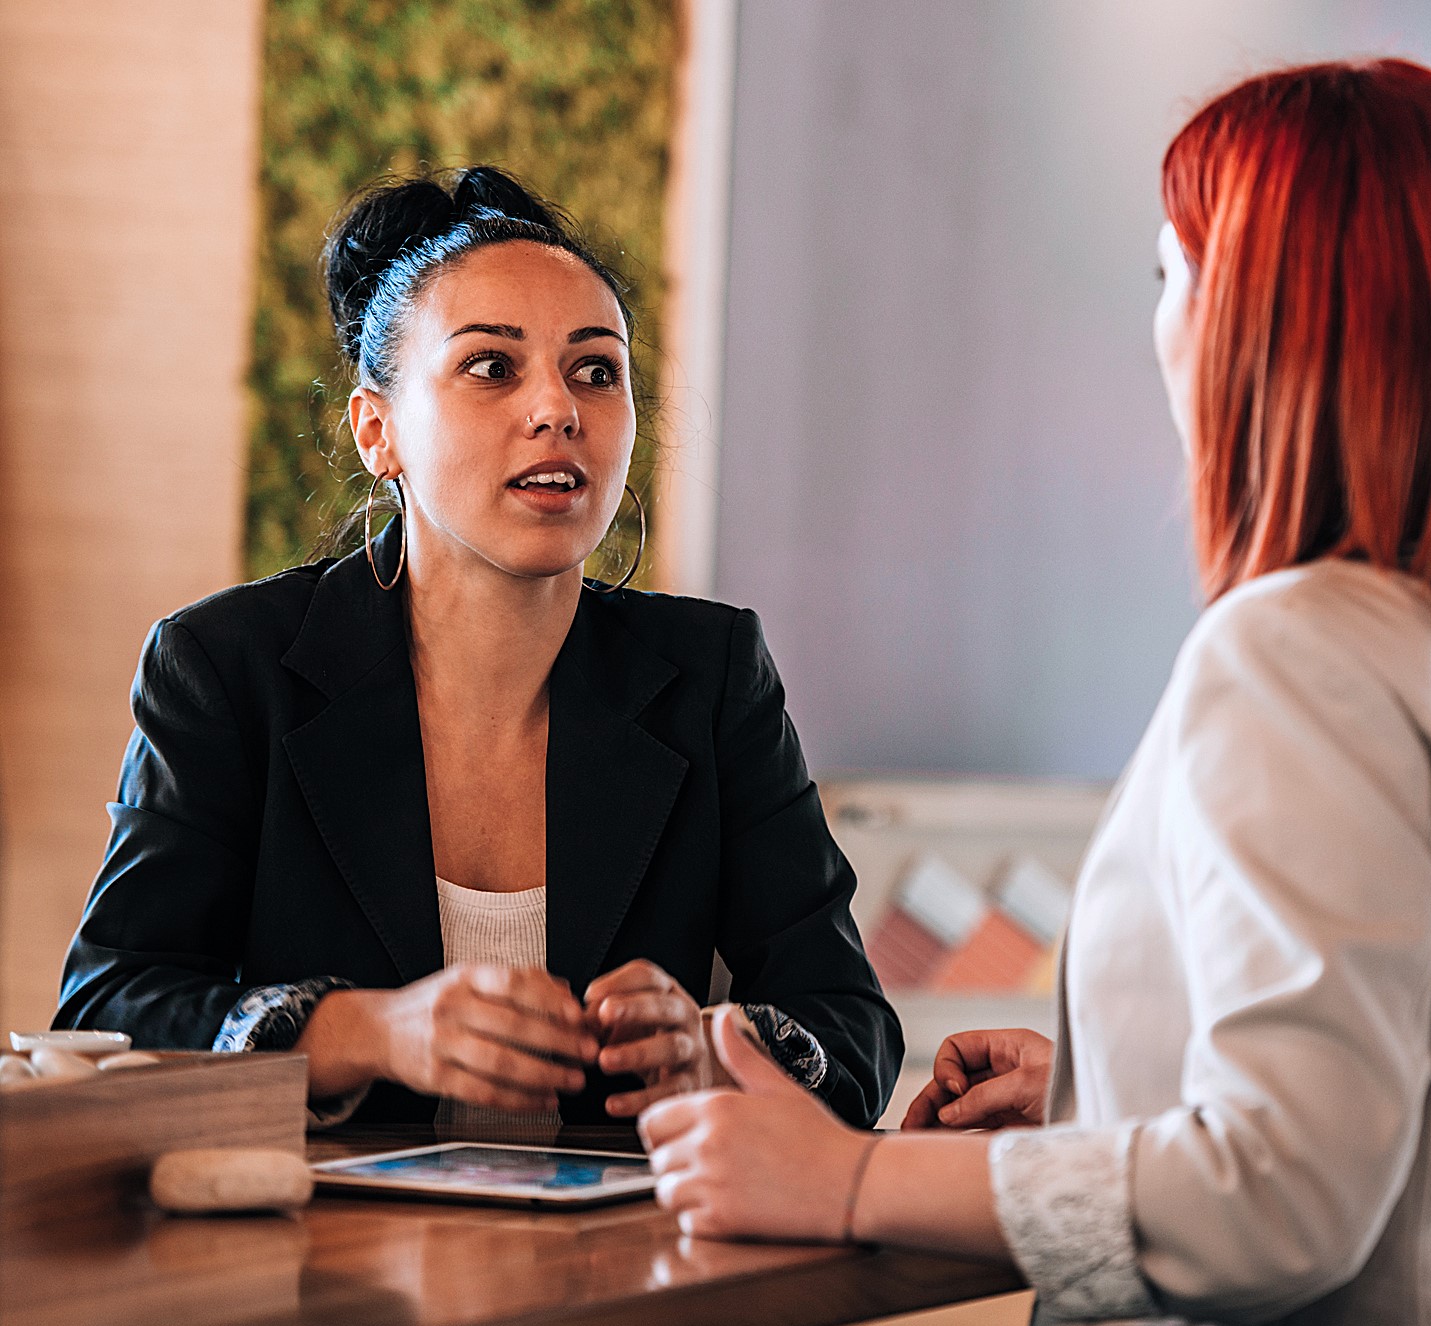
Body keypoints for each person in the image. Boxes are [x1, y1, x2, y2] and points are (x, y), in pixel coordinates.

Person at [637, 60, 1431, 1326]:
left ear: (1258, 316)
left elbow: (1281, 1199)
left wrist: (853, 1174)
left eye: (1169, 275)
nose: (1161, 325)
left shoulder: (1296, 650)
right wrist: (1117, 1099)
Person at [56, 167, 900, 1135]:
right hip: (316, 1260)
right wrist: (367, 1029)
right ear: (379, 432)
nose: (558, 409)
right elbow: (106, 1012)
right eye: (492, 367)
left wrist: (712, 1049)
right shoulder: (225, 664)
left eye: (595, 369)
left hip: (626, 1264)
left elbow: (854, 1031)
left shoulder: (711, 672)